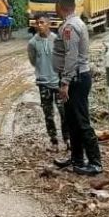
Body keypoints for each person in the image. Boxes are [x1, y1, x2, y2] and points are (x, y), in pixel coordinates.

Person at [53, 0, 103, 175]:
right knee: (72, 121)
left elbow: (71, 56)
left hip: (76, 79)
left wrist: (65, 82)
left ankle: (95, 162)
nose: (54, 8)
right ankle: (77, 159)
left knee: (81, 120)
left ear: (60, 5)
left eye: (55, 5)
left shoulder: (70, 26)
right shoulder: (74, 23)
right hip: (75, 77)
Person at [28, 15, 69, 152]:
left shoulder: (57, 40)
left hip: (57, 83)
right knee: (48, 114)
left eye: (42, 23)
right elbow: (33, 61)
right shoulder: (33, 43)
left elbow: (64, 60)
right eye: (37, 23)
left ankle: (67, 139)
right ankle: (54, 142)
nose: (39, 25)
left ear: (49, 24)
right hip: (43, 83)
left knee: (63, 112)